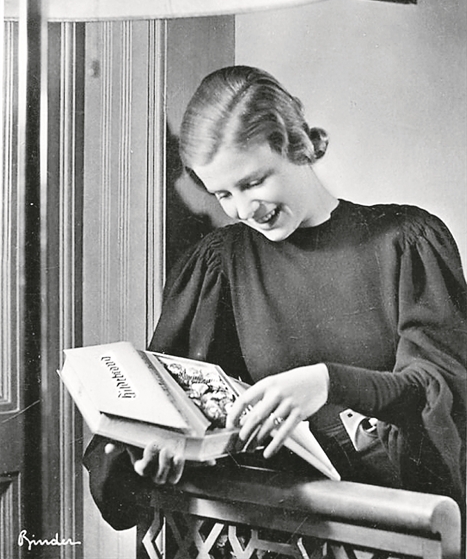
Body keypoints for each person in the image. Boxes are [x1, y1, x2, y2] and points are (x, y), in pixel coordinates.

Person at [84, 65, 466, 534]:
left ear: (296, 145)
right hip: (271, 535)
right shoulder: (220, 265)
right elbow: (170, 404)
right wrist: (158, 449)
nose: (244, 210)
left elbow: (441, 392)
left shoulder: (406, 241)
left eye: (253, 182)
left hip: (395, 531)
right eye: (223, 193)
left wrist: (327, 382)